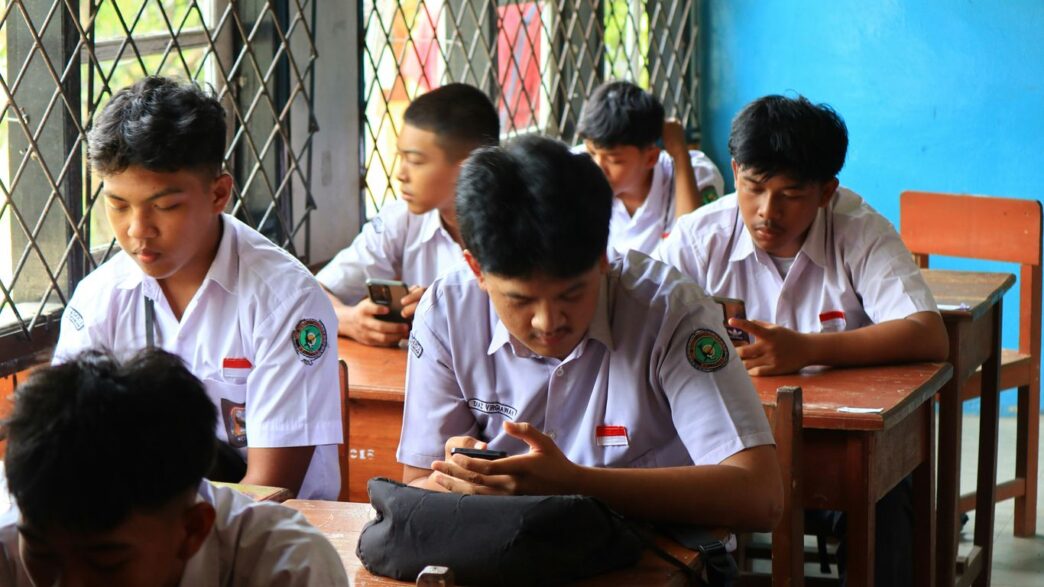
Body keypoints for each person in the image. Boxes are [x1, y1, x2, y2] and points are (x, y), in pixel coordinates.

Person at [396, 135, 781, 531]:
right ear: (476, 269)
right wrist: (461, 478)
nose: (548, 322)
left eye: (572, 294)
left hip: (654, 560)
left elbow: (760, 496)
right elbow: (418, 483)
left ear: (602, 258)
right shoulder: (447, 311)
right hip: (504, 556)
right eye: (521, 300)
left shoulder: (672, 311)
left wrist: (575, 485)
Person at [655, 94, 949, 585]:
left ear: (827, 190)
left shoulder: (859, 230)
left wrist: (806, 349)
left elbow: (928, 333)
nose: (767, 211)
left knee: (886, 505)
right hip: (722, 443)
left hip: (836, 442)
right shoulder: (698, 237)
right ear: (734, 171)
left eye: (790, 194)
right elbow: (642, 328)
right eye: (753, 187)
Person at [53, 76, 342, 500]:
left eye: (165, 206)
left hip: (271, 539)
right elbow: (64, 447)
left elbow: (268, 491)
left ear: (218, 193)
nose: (137, 230)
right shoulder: (101, 298)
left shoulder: (286, 302)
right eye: (117, 205)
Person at [0, 349, 348, 587]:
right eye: (42, 554)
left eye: (105, 560)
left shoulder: (285, 570)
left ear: (193, 530)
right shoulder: (7, 554)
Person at [317, 83, 500, 346]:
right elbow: (315, 291)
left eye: (415, 161)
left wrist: (452, 307)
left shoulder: (522, 224)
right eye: (400, 157)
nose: (400, 174)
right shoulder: (401, 219)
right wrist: (349, 320)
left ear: (468, 167)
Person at [577, 80, 724, 261]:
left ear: (650, 158)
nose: (598, 167)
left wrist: (680, 155)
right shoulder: (573, 167)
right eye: (591, 153)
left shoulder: (696, 173)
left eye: (614, 160)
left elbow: (693, 254)